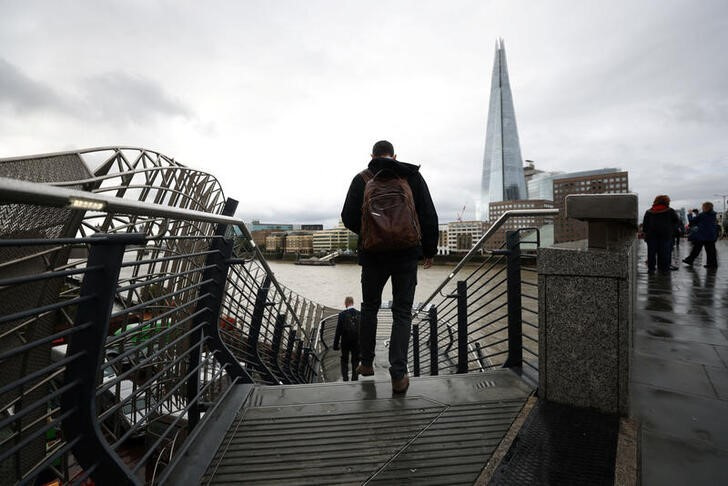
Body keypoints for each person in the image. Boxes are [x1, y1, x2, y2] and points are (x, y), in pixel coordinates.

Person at [341, 140, 438, 393]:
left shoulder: (361, 179)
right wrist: (429, 250)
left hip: (373, 255)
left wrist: (371, 232)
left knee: (370, 307)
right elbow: (428, 214)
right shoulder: (411, 176)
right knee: (402, 312)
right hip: (406, 254)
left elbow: (348, 216)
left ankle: (366, 363)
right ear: (395, 156)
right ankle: (398, 374)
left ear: (372, 156)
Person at [642, 195, 680, 274]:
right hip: (665, 235)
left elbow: (645, 225)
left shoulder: (649, 211)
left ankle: (651, 269)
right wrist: (671, 229)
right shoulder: (670, 211)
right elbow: (676, 222)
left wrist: (645, 233)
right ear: (666, 202)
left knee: (651, 253)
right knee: (664, 253)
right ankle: (664, 269)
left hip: (651, 236)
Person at [333, 296, 361, 381]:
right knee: (355, 360)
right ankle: (355, 378)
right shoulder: (360, 314)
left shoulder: (342, 315)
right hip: (356, 341)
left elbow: (338, 331)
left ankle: (345, 378)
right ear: (353, 303)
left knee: (344, 359)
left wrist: (335, 345)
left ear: (346, 303)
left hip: (345, 341)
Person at [683, 202, 719, 268]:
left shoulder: (702, 215)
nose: (702, 208)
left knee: (696, 249)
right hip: (711, 235)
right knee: (711, 251)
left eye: (703, 206)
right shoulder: (713, 215)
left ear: (705, 207)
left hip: (702, 235)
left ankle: (690, 260)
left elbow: (692, 221)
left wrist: (690, 214)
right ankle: (712, 264)